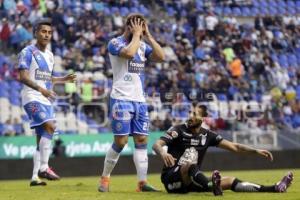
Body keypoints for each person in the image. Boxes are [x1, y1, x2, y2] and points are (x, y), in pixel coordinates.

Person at [152, 104, 293, 195]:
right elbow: (156, 145)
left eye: (194, 113)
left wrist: (255, 150)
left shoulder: (208, 135)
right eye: (189, 113)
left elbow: (235, 147)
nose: (190, 116)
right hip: (171, 180)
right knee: (189, 165)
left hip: (193, 182)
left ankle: (274, 188)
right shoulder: (178, 130)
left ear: (203, 118)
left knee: (231, 181)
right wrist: (163, 152)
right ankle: (211, 185)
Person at [98, 13, 165, 192]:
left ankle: (142, 183)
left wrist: (148, 36)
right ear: (128, 26)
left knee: (142, 140)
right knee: (120, 142)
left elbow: (161, 57)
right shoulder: (115, 43)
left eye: (142, 26)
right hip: (121, 99)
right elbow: (128, 53)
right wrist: (136, 35)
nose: (140, 29)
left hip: (140, 100)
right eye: (137, 25)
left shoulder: (143, 45)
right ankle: (105, 178)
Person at [18, 18, 76, 186]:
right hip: (31, 96)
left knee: (41, 138)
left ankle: (35, 177)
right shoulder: (27, 51)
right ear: (36, 33)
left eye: (49, 32)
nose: (47, 35)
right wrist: (40, 90)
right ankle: (44, 167)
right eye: (43, 31)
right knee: (50, 126)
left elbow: (45, 77)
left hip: (45, 98)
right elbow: (23, 76)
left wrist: (62, 79)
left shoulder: (50, 55)